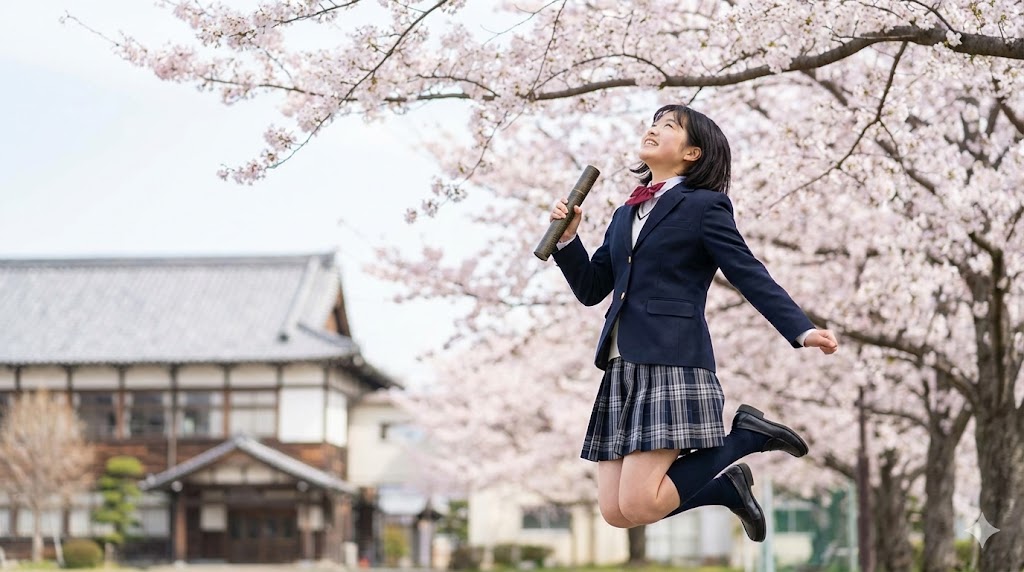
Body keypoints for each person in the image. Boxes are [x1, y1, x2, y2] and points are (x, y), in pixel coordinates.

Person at [548, 104, 839, 541]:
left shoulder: (705, 206)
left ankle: (745, 438)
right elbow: (592, 289)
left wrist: (801, 329)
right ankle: (727, 488)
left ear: (692, 153)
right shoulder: (625, 213)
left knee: (641, 502)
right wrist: (569, 240)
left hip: (673, 358)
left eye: (669, 126)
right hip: (621, 365)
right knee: (616, 512)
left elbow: (747, 271)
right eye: (654, 122)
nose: (654, 129)